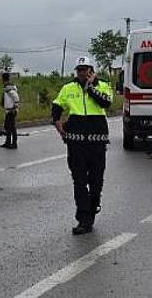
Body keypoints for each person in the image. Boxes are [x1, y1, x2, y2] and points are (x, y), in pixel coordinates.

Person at [52, 56, 112, 235]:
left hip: (97, 142)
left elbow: (106, 103)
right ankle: (83, 219)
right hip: (76, 142)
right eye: (79, 70)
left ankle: (93, 207)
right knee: (79, 181)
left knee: (96, 181)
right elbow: (56, 108)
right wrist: (60, 128)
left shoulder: (103, 86)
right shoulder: (68, 88)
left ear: (92, 71)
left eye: (86, 69)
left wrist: (91, 87)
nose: (82, 73)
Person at [0, 72, 20, 149]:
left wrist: (15, 106)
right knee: (7, 126)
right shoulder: (8, 87)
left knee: (11, 127)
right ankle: (8, 142)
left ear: (3, 79)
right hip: (9, 110)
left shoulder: (9, 88)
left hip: (11, 110)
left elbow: (16, 97)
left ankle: (14, 143)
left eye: (2, 78)